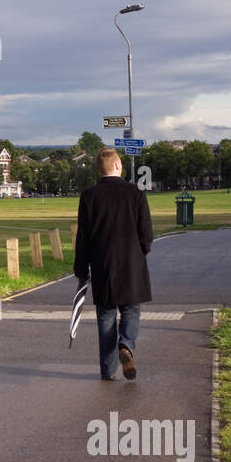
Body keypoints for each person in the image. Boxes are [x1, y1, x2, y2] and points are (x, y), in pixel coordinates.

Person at [73, 147, 153, 380]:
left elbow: (83, 238)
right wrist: (142, 252)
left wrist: (81, 270)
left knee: (106, 318)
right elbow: (146, 233)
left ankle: (108, 371)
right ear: (118, 166)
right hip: (131, 263)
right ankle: (126, 345)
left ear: (100, 170)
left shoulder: (89, 196)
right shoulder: (136, 193)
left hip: (102, 265)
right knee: (131, 310)